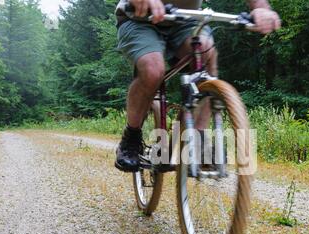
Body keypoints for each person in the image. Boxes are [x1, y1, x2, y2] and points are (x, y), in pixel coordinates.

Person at [114, 0, 281, 172]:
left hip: (185, 19)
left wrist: (260, 8)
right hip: (139, 18)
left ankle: (199, 138)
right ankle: (131, 137)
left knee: (206, 51)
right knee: (153, 70)